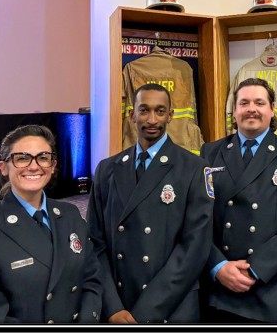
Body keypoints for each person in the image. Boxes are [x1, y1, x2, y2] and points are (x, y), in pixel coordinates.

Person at [87, 83, 213, 323]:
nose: (152, 119)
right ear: (132, 114)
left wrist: (146, 311)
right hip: (119, 304)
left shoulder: (194, 168)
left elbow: (194, 249)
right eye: (144, 110)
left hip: (171, 304)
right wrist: (112, 307)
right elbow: (95, 242)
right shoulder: (107, 169)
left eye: (160, 111)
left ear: (171, 115)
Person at [0, 125, 102, 323]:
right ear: (4, 167)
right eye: (22, 158)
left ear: (52, 165)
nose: (34, 166)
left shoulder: (70, 215)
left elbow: (91, 279)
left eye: (43, 157)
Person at [200, 78, 277, 322]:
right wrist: (218, 267)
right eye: (243, 102)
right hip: (222, 287)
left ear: (272, 109)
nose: (251, 108)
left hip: (276, 286)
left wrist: (256, 268)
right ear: (234, 111)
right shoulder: (209, 153)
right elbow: (197, 220)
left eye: (259, 102)